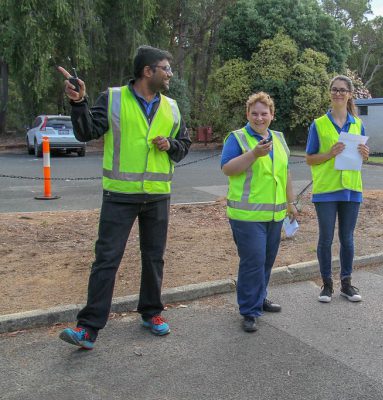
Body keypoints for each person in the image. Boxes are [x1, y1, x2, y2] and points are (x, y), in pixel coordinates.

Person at [57, 45, 191, 350]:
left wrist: (170, 144)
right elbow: (87, 132)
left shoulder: (172, 106)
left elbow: (184, 145)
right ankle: (88, 328)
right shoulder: (114, 98)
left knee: (154, 258)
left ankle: (151, 313)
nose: (170, 73)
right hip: (119, 195)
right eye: (165, 68)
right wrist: (79, 103)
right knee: (106, 260)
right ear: (148, 72)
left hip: (157, 195)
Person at [221, 92, 298, 333]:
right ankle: (249, 311)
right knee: (253, 262)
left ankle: (259, 297)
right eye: (254, 113)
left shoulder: (278, 138)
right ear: (247, 114)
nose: (259, 117)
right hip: (246, 217)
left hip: (274, 216)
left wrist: (291, 202)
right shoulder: (238, 138)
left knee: (265, 261)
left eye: (264, 113)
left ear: (272, 115)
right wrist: (254, 154)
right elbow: (227, 169)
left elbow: (284, 173)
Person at [305, 75, 369, 303]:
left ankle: (346, 284)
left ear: (350, 94)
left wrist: (365, 155)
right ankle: (327, 285)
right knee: (325, 238)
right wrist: (329, 154)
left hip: (351, 190)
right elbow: (310, 159)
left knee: (347, 238)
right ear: (329, 93)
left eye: (342, 90)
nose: (338, 93)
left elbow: (361, 156)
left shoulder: (357, 123)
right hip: (326, 190)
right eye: (334, 89)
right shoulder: (319, 124)